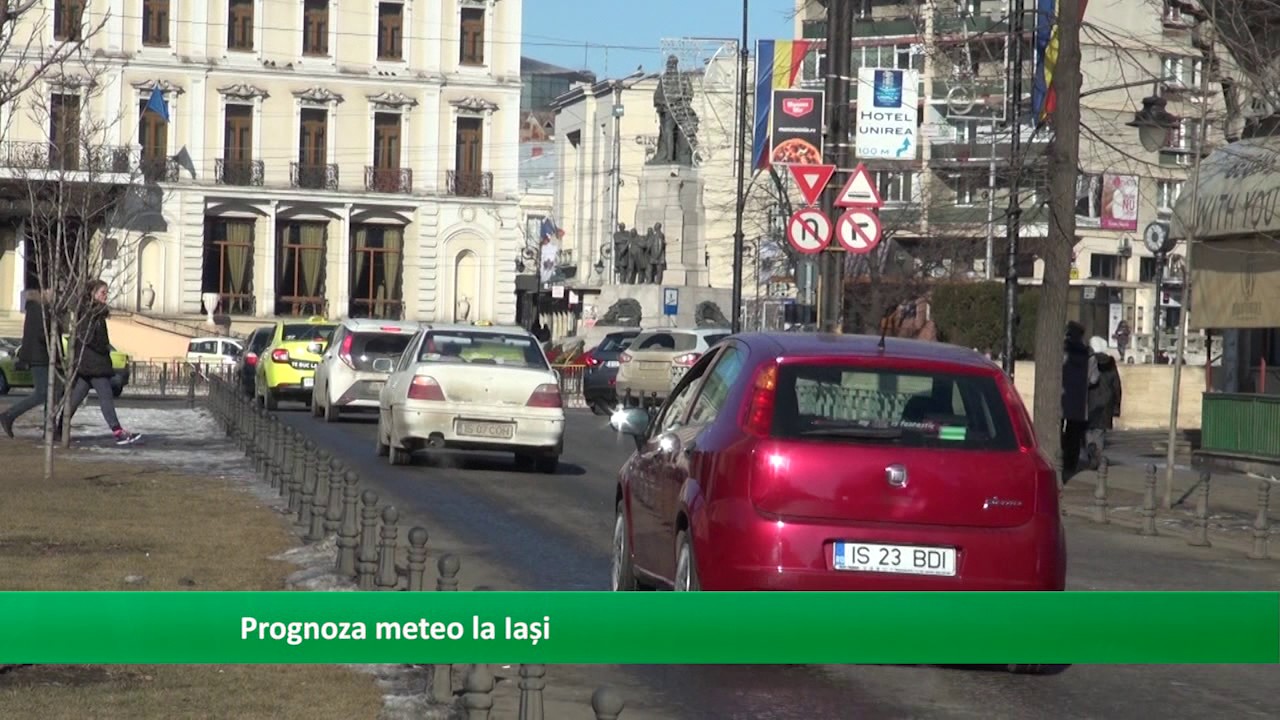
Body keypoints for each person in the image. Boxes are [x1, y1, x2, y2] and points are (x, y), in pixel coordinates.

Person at [60, 280, 141, 445]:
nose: (106, 296)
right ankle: (118, 432)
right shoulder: (89, 313)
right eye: (103, 292)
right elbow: (88, 337)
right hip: (93, 364)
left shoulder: (95, 313)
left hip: (90, 364)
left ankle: (57, 429)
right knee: (106, 396)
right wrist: (104, 347)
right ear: (93, 294)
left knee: (75, 399)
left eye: (106, 292)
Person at [0, 288, 61, 439]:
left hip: (43, 356)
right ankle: (9, 415)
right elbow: (43, 334)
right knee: (43, 393)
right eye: (54, 292)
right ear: (44, 291)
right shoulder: (40, 309)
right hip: (40, 357)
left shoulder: (39, 308)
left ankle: (49, 430)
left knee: (52, 393)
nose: (57, 295)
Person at [1061, 321, 1094, 480]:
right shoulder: (1088, 354)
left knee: (1059, 430)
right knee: (1074, 436)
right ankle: (1070, 465)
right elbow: (1094, 378)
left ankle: (1059, 459)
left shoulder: (1062, 350)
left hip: (1061, 397)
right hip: (1079, 401)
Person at [1086, 336, 1123, 470]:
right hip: (1106, 404)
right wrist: (1116, 407)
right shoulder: (1110, 364)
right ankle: (1097, 455)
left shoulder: (1089, 361)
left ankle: (1090, 450)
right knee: (1100, 432)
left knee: (1088, 430)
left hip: (1089, 401)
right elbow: (1116, 386)